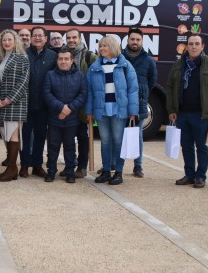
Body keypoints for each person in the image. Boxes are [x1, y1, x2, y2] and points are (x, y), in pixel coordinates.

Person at [166, 34, 208, 189]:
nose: (193, 47)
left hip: (202, 114)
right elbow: (170, 88)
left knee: (202, 147)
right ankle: (189, 174)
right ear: (186, 46)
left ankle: (200, 176)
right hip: (183, 113)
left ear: (202, 46)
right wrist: (171, 109)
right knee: (186, 146)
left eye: (197, 44)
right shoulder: (179, 65)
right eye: (190, 44)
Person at [85, 36, 139, 186]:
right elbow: (89, 91)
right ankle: (107, 171)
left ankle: (118, 172)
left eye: (105, 46)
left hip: (119, 110)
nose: (102, 49)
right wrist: (89, 111)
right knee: (105, 141)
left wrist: (133, 110)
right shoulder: (94, 67)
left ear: (113, 47)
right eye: (100, 46)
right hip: (101, 110)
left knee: (118, 141)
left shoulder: (125, 65)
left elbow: (133, 89)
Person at [0, 29, 29, 182]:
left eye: (9, 40)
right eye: (3, 40)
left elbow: (24, 82)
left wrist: (10, 99)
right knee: (6, 135)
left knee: (13, 134)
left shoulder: (22, 58)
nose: (6, 42)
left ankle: (12, 168)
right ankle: (12, 169)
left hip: (15, 103)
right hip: (0, 104)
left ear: (15, 41)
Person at [43, 47, 87, 183]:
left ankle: (69, 173)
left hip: (72, 119)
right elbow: (47, 94)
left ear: (72, 60)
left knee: (69, 146)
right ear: (57, 60)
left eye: (66, 59)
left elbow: (83, 94)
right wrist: (61, 107)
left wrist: (70, 108)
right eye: (60, 59)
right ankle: (51, 171)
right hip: (54, 118)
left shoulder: (80, 75)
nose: (63, 61)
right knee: (53, 146)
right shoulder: (50, 75)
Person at [20, 26, 56, 178]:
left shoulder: (53, 56)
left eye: (40, 36)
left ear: (46, 38)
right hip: (25, 103)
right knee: (25, 136)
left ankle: (37, 165)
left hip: (44, 104)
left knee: (41, 136)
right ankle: (24, 165)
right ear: (31, 38)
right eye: (35, 35)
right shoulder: (23, 54)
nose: (37, 38)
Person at [61, 28, 96, 178]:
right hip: (66, 104)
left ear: (80, 38)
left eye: (74, 37)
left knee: (82, 137)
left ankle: (82, 167)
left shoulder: (90, 56)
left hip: (83, 105)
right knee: (67, 137)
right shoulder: (62, 55)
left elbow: (96, 82)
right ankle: (70, 165)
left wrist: (92, 105)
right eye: (69, 38)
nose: (71, 40)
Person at [122, 28, 157, 178]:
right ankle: (114, 164)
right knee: (118, 135)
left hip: (139, 102)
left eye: (138, 40)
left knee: (138, 135)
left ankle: (138, 166)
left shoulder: (148, 60)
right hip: (121, 102)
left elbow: (152, 80)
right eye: (132, 39)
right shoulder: (120, 57)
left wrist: (143, 93)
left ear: (142, 42)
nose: (134, 42)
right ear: (127, 40)